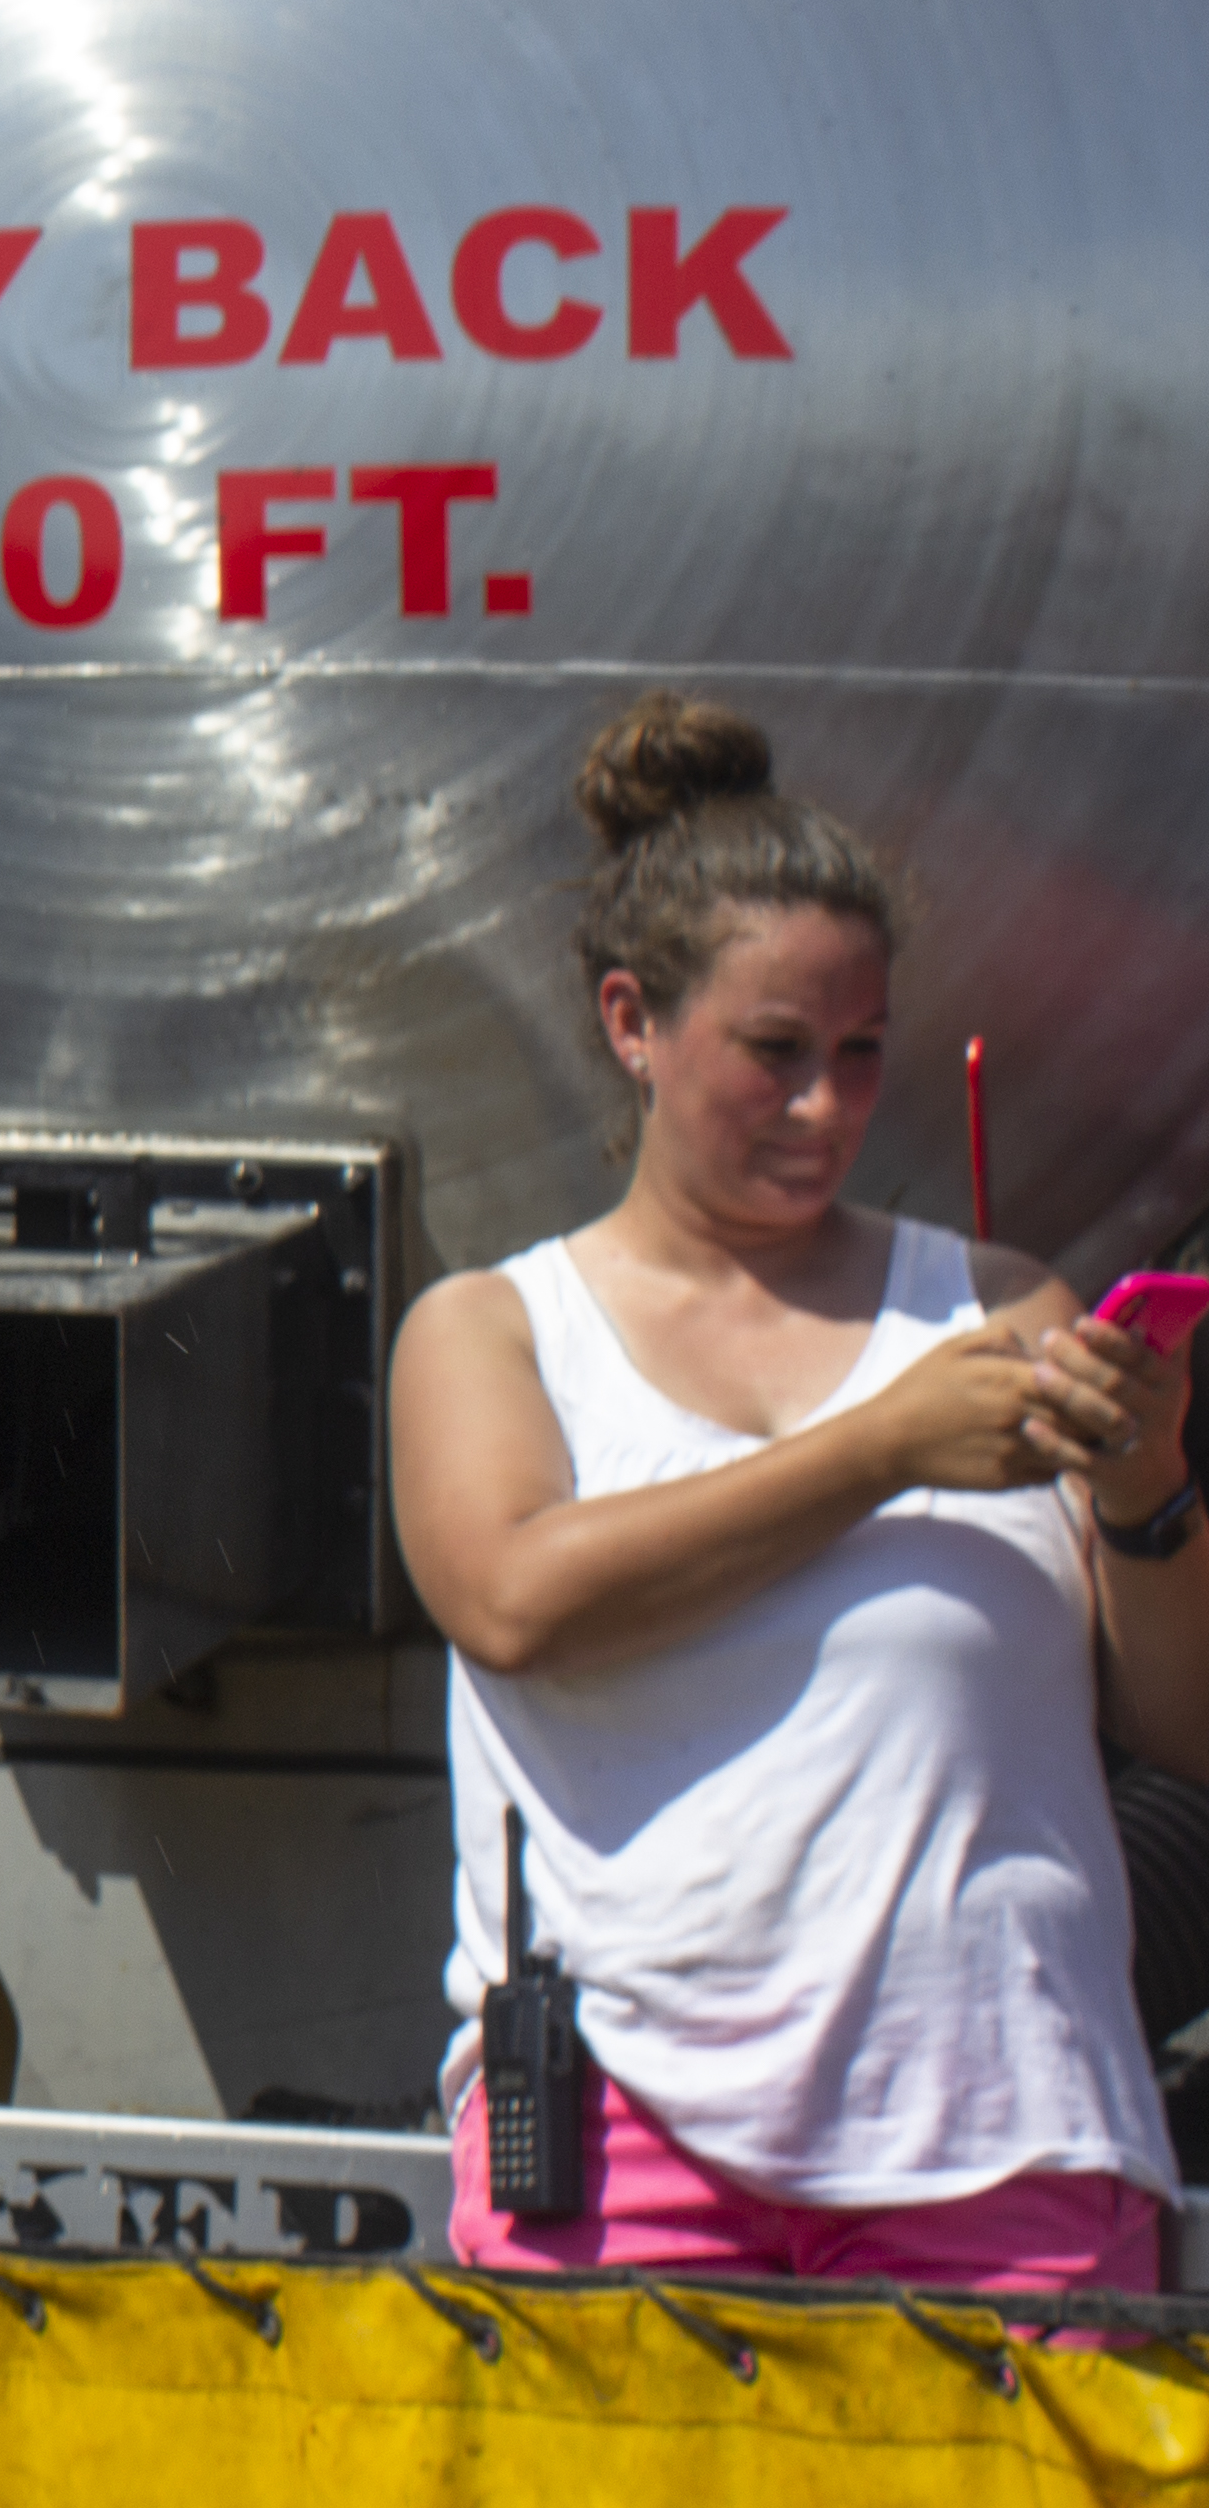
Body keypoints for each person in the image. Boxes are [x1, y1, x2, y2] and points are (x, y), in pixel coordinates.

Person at [391, 692, 1205, 2293]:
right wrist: (874, 1450)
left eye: (860, 1054)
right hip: (622, 2144)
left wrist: (1147, 1493)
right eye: (776, 1054)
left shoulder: (1002, 1311)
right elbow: (514, 1597)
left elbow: (1187, 1728)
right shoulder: (494, 1329)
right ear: (633, 1021)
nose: (828, 1109)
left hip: (1009, 2134)